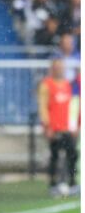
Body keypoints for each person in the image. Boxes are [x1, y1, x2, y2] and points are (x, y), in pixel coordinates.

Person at [38, 58, 79, 197]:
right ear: (52, 69)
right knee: (55, 157)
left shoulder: (68, 85)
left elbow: (73, 106)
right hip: (54, 128)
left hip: (67, 127)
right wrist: (47, 126)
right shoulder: (46, 85)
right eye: (57, 67)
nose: (59, 69)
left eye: (61, 67)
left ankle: (72, 182)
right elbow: (43, 107)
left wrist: (75, 125)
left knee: (73, 154)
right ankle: (53, 185)